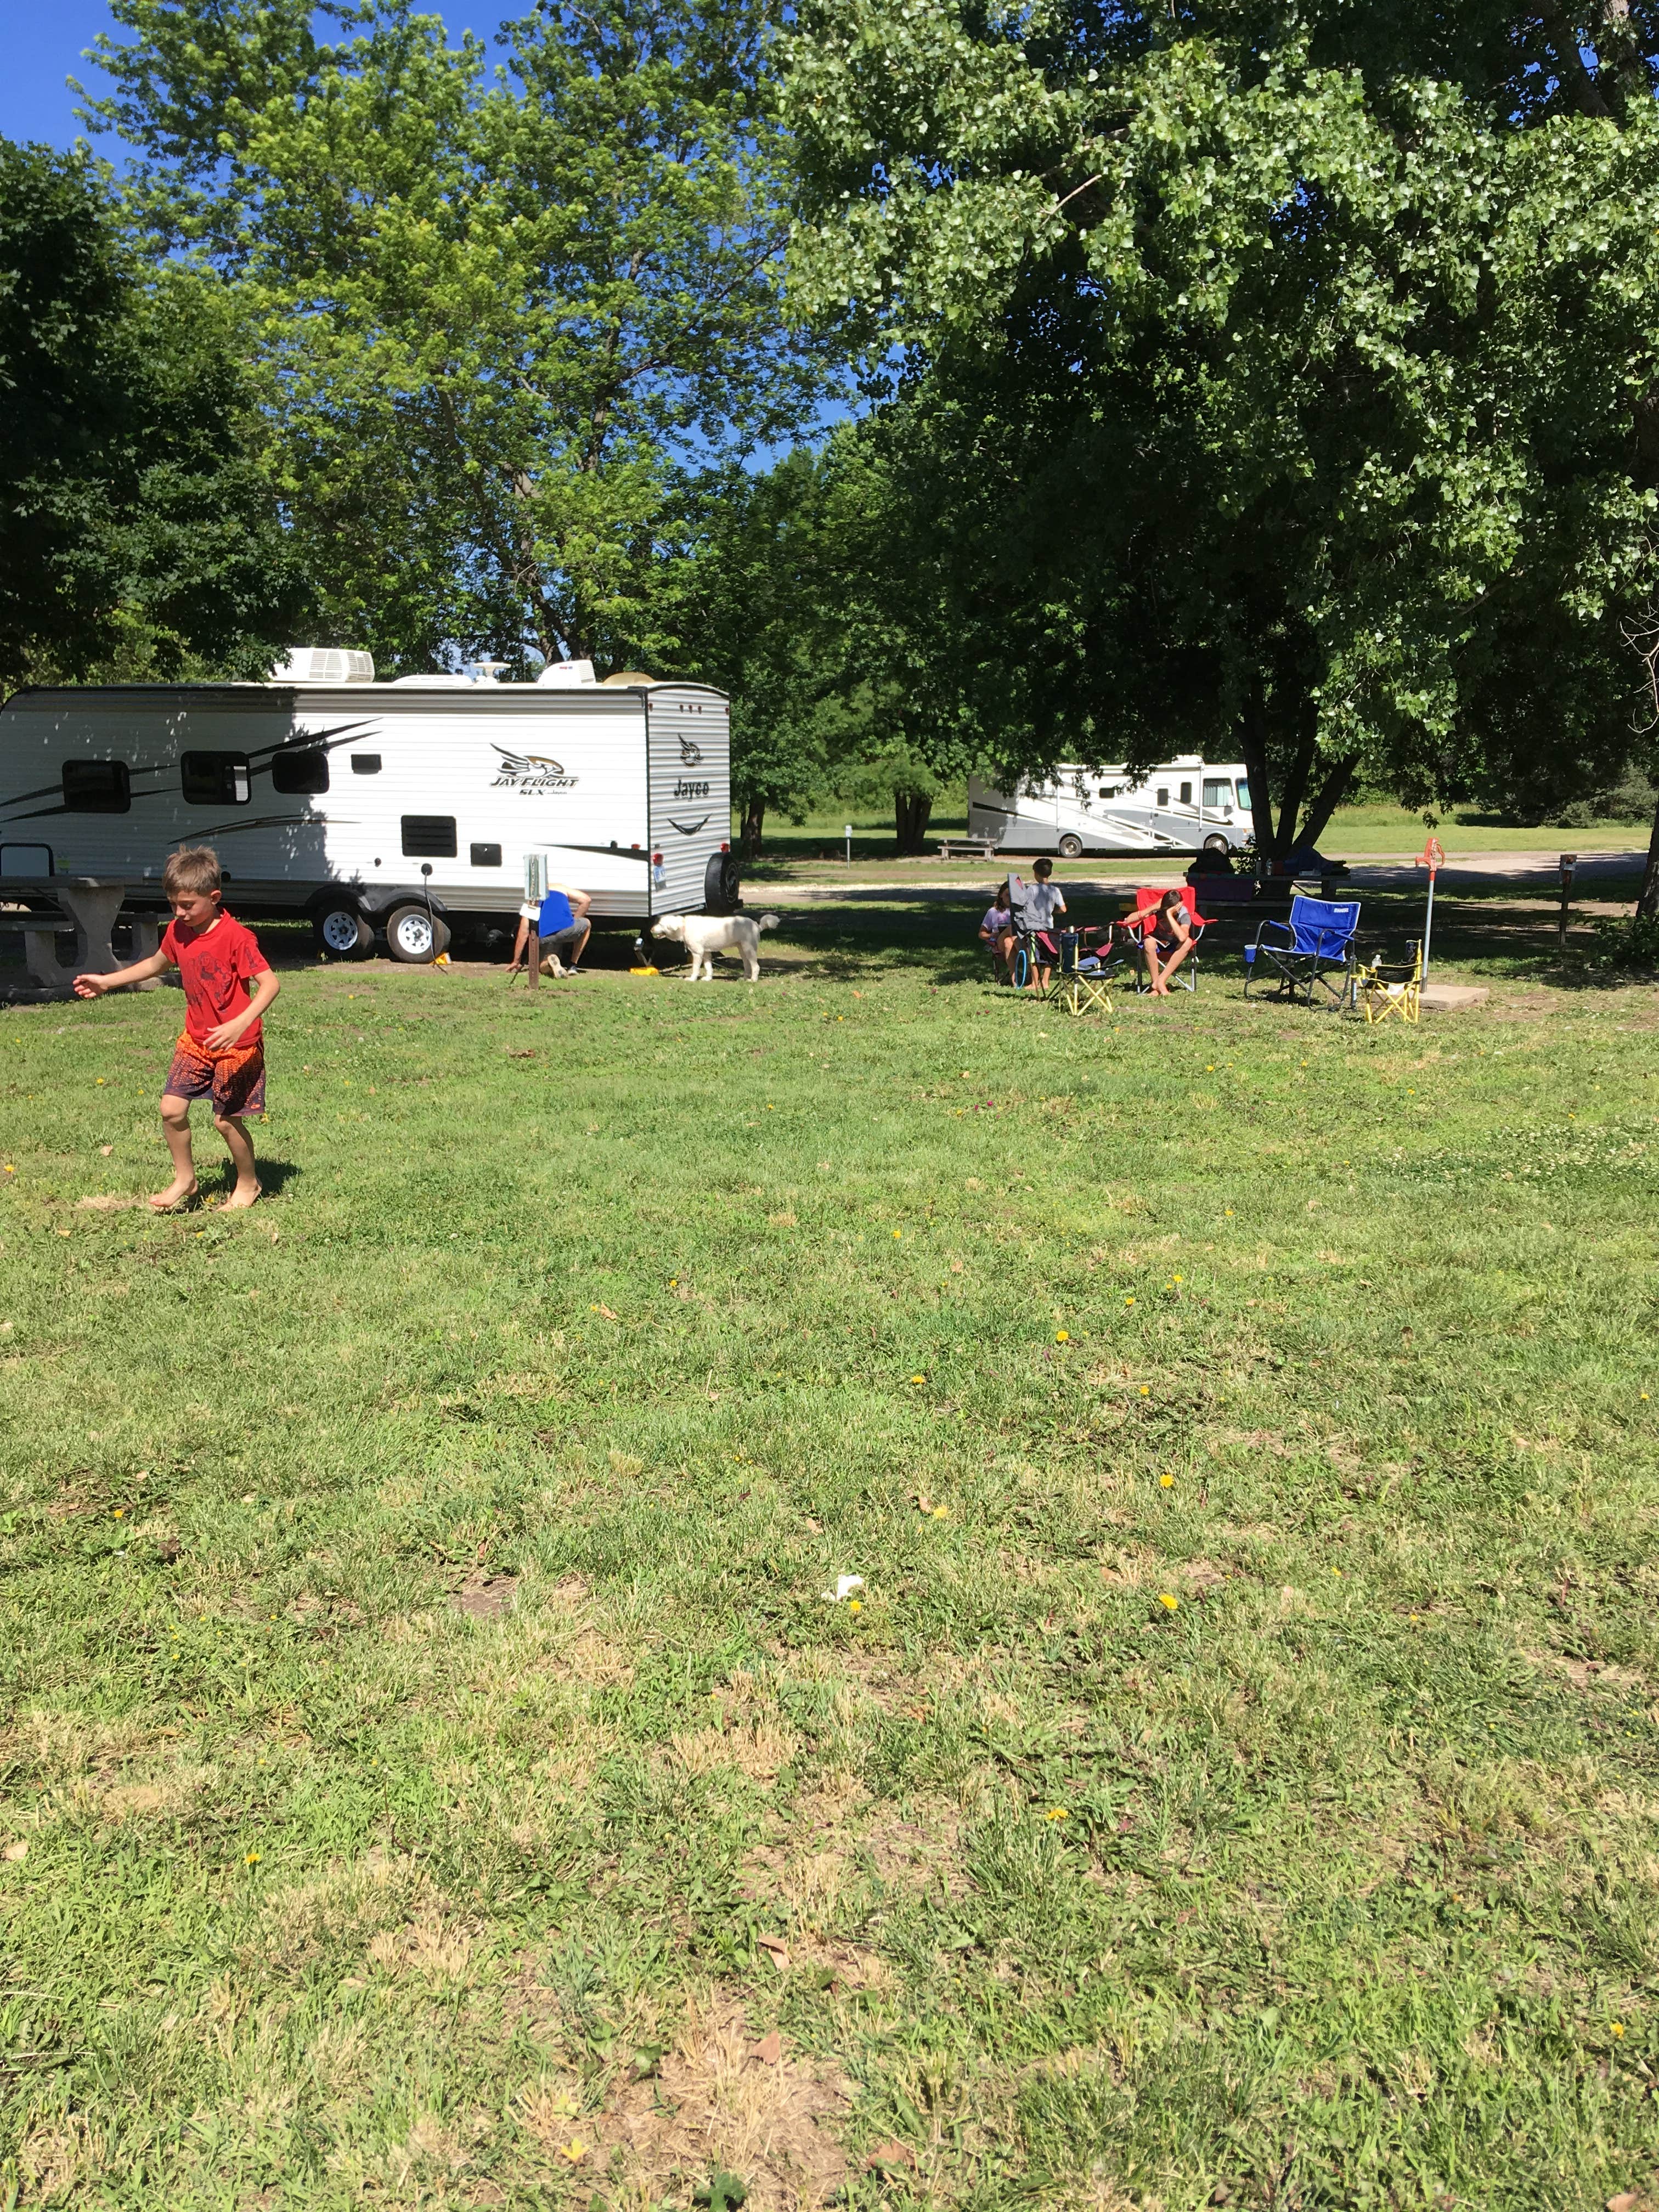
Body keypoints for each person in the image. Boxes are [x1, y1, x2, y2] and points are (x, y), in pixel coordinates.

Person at [73, 846, 279, 1211]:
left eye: (187, 905)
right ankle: (186, 1179)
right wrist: (108, 981)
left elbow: (270, 985)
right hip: (195, 1042)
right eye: (173, 905)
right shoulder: (177, 931)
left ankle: (249, 1183)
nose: (180, 913)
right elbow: (156, 964)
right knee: (171, 1110)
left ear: (214, 897)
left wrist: (240, 1022)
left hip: (237, 1045)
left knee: (226, 1122)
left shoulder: (237, 937)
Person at [507, 879, 592, 978]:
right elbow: (586, 900)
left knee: (541, 966)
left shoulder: (532, 901)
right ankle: (572, 965)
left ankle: (549, 963)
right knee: (587, 923)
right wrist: (573, 922)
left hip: (544, 937)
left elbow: (523, 932)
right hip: (566, 930)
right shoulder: (561, 888)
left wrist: (516, 961)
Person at [1022, 855, 1066, 992]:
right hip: (1049, 927)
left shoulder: (1032, 889)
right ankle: (1045, 981)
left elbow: (1026, 906)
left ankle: (1035, 982)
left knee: (1034, 955)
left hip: (1035, 928)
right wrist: (1052, 911)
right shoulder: (1055, 890)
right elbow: (1064, 909)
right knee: (1048, 954)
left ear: (1036, 873)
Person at [1141, 888, 1198, 996]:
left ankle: (1160, 981)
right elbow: (1128, 920)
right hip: (1158, 944)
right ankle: (1156, 987)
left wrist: (1169, 915)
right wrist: (1153, 908)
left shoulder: (1183, 913)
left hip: (1174, 947)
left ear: (1180, 905)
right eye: (1167, 909)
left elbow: (1182, 938)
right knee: (1148, 942)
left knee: (1188, 942)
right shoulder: (1159, 909)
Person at [979, 881, 1017, 982]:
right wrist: (991, 935)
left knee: (1008, 942)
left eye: (1013, 895)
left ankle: (1015, 979)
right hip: (999, 943)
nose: (1010, 898)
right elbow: (981, 933)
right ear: (1001, 895)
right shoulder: (993, 912)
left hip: (1012, 942)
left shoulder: (1019, 911)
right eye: (1007, 895)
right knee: (1011, 928)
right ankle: (1024, 952)